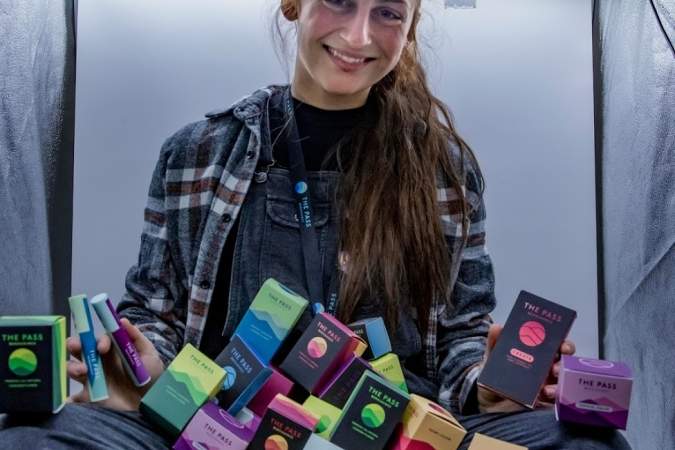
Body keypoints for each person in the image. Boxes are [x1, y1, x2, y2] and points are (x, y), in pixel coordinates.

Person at [1, 1, 630, 449]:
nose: (359, 35)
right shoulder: (195, 152)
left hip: (395, 430)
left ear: (410, 27)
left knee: (585, 440)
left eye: (388, 12)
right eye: (340, 1)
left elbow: (461, 336)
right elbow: (156, 311)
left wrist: (489, 387)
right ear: (293, 3)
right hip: (223, 425)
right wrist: (143, 369)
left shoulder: (444, 167)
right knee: (32, 436)